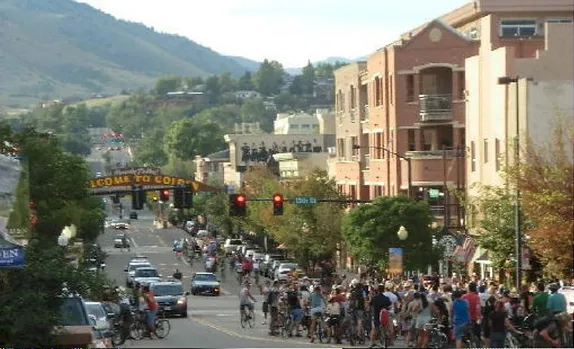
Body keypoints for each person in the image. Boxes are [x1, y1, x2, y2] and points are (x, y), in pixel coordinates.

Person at [369, 284, 392, 348]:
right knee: (385, 328)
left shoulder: (374, 298)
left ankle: (372, 342)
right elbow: (389, 306)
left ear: (378, 290)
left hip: (376, 315)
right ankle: (386, 338)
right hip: (384, 315)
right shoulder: (386, 298)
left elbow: (370, 305)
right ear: (383, 290)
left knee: (374, 329)